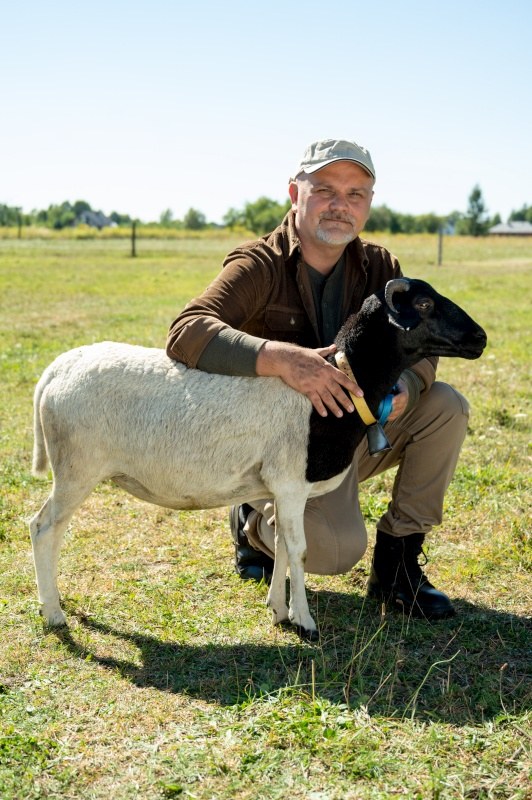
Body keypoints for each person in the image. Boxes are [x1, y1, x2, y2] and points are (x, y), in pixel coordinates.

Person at [166, 138, 470, 620]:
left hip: (349, 433)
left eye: (355, 193)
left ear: (368, 203)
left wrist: (407, 388)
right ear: (295, 193)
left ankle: (398, 565)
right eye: (325, 189)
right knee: (333, 551)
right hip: (278, 449)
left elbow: (418, 344)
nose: (339, 205)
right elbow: (187, 331)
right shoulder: (258, 264)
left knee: (446, 407)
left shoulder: (381, 267)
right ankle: (252, 522)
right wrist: (279, 358)